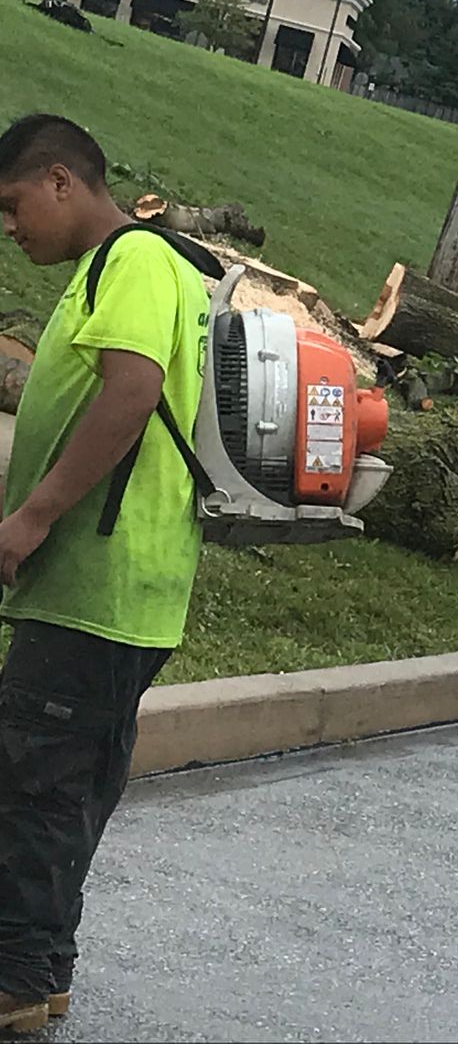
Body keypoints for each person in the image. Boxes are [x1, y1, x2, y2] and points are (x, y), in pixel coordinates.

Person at [0, 114, 209, 1032]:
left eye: (12, 208)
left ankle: (12, 979)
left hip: (99, 584)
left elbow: (131, 391)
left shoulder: (132, 261)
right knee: (69, 784)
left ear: (59, 180)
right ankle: (42, 972)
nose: (11, 229)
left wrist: (33, 515)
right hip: (122, 589)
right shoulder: (133, 266)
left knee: (34, 785)